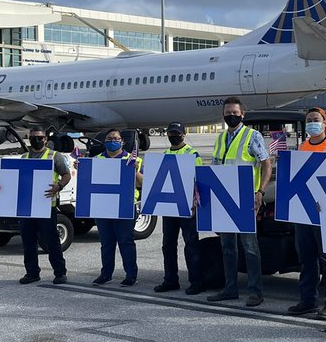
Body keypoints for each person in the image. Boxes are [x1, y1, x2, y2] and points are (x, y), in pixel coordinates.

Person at [285, 108, 326, 319]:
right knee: (307, 259)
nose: (312, 123)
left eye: (316, 120)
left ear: (324, 122)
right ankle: (308, 301)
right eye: (309, 120)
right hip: (303, 211)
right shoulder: (302, 147)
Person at [207, 98, 271, 307]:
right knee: (227, 247)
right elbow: (215, 169)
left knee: (250, 247)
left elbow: (266, 164)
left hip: (246, 199)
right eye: (227, 112)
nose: (230, 115)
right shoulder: (220, 138)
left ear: (242, 114)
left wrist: (260, 190)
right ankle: (230, 288)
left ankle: (255, 292)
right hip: (225, 198)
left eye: (234, 112)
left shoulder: (252, 136)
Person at [153, 122, 205, 296]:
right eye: (170, 133)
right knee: (168, 245)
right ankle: (170, 280)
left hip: (187, 207)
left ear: (183, 134)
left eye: (176, 133)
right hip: (169, 206)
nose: (173, 136)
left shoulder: (192, 153)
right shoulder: (165, 154)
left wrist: (196, 202)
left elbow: (200, 179)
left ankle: (196, 282)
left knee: (191, 245)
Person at [18, 128, 71, 286]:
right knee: (28, 242)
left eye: (40, 137)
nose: (37, 140)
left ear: (46, 139)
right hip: (27, 206)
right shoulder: (24, 157)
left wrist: (59, 185)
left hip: (47, 206)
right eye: (33, 137)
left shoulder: (55, 156)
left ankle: (60, 272)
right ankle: (32, 272)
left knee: (51, 241)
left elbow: (66, 175)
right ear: (29, 139)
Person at [92, 129, 141, 287]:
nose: (112, 141)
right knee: (106, 243)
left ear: (122, 142)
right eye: (109, 138)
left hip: (125, 207)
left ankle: (131, 275)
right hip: (103, 206)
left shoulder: (132, 159)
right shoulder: (97, 159)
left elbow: (142, 183)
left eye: (116, 138)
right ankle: (106, 274)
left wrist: (135, 171)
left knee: (126, 242)